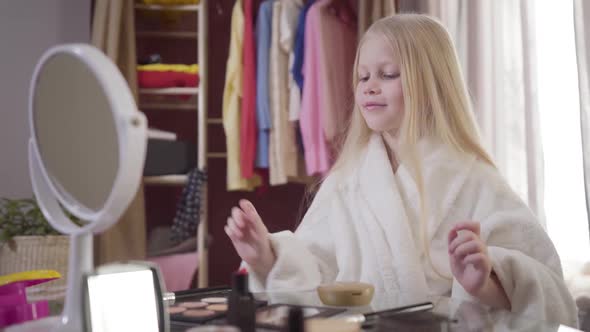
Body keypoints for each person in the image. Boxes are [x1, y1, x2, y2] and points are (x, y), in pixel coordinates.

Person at [224, 14, 578, 327]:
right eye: (363, 77)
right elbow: (316, 274)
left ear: (431, 83)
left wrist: (484, 282)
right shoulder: (347, 182)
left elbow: (549, 292)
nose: (369, 86)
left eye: (388, 74)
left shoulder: (475, 179)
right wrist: (267, 257)